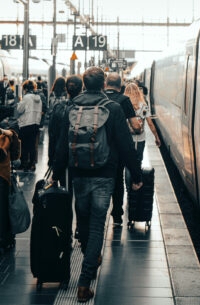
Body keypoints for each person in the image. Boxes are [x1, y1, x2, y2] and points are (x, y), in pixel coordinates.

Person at [51, 67, 143, 302]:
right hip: (105, 175)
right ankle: (84, 282)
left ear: (83, 84)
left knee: (82, 222)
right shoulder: (112, 108)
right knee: (96, 227)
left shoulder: (70, 107)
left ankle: (88, 254)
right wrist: (137, 175)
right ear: (103, 85)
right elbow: (124, 144)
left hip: (78, 175)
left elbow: (62, 145)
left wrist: (57, 174)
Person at [104, 72, 142, 226]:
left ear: (105, 85)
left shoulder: (99, 98)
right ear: (120, 86)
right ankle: (117, 215)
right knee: (117, 183)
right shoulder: (124, 100)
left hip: (96, 148)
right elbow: (135, 126)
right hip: (116, 151)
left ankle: (82, 226)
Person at [48, 75, 83, 190]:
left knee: (66, 189)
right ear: (81, 88)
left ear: (66, 89)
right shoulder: (87, 108)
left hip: (63, 157)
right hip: (84, 157)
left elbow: (52, 135)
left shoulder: (59, 108)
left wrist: (52, 159)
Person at [124, 82, 161, 164]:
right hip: (140, 139)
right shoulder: (143, 105)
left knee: (127, 162)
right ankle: (137, 175)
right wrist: (156, 137)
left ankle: (128, 176)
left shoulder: (124, 104)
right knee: (138, 161)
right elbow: (150, 124)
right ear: (138, 91)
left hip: (127, 139)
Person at [0, 107, 19, 253]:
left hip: (2, 177)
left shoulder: (5, 136)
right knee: (3, 208)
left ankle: (4, 238)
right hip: (3, 177)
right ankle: (5, 238)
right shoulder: (7, 134)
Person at [17, 80, 42, 172]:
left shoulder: (26, 97)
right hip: (35, 124)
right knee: (32, 145)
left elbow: (19, 110)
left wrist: (19, 102)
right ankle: (32, 164)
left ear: (26, 88)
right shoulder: (38, 98)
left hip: (26, 124)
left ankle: (23, 164)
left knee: (23, 145)